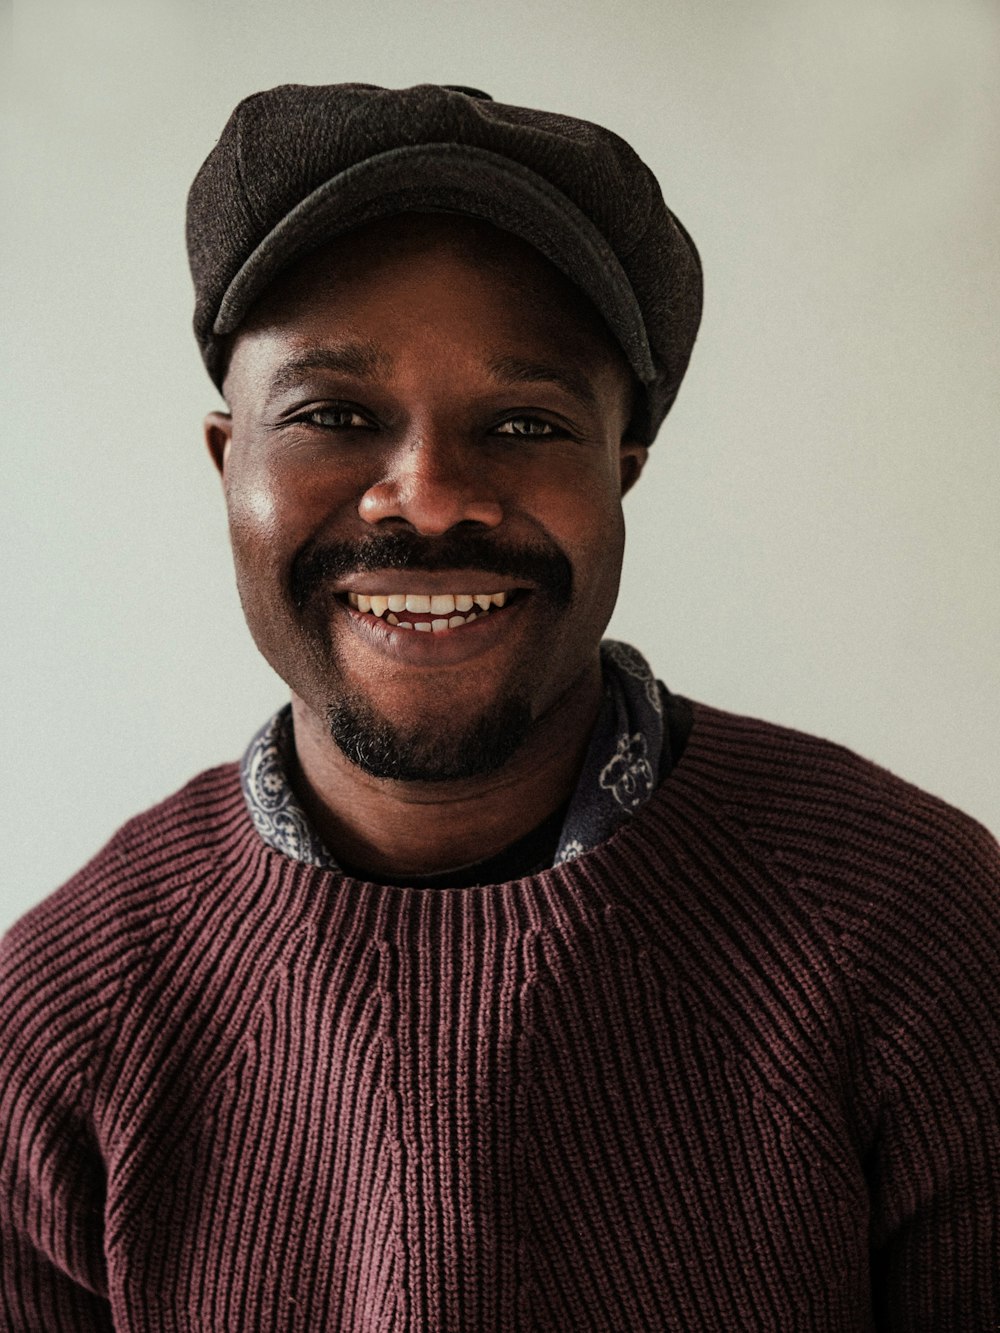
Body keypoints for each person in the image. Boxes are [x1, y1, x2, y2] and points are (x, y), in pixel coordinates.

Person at [1, 82, 997, 1333]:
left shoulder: (918, 929)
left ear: (620, 471)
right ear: (228, 459)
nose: (426, 497)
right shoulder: (59, 1025)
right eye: (333, 417)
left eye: (524, 423)